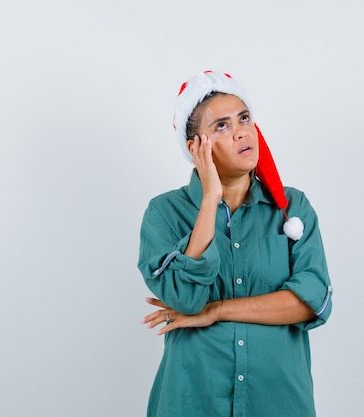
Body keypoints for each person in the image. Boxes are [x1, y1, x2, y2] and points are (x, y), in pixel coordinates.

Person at [138, 70, 333, 417]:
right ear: (196, 147)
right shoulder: (164, 213)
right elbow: (185, 298)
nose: (242, 131)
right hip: (193, 400)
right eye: (222, 126)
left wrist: (216, 311)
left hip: (278, 402)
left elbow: (311, 302)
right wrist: (210, 199)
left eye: (244, 118)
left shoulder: (292, 209)